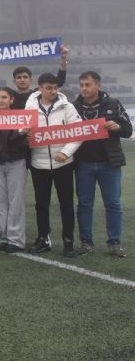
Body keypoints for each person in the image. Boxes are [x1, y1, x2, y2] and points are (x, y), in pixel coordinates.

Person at [71, 71, 131, 257]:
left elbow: (128, 130)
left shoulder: (113, 103)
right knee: (84, 204)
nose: (83, 88)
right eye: (81, 85)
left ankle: (114, 243)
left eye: (87, 85)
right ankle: (86, 242)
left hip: (109, 163)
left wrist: (117, 127)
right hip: (83, 164)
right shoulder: (73, 107)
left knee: (113, 204)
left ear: (98, 85)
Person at [24, 73, 82, 257]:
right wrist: (23, 133)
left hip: (63, 164)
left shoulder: (68, 106)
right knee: (41, 204)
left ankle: (68, 242)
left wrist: (65, 152)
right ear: (40, 88)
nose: (53, 91)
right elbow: (22, 130)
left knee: (66, 204)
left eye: (55, 87)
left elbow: (78, 133)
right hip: (38, 163)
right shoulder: (30, 107)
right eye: (48, 88)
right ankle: (43, 238)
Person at [0, 88, 29, 254]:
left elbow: (19, 144)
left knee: (15, 201)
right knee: (0, 201)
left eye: (4, 97)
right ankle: (5, 237)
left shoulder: (19, 117)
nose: (0, 100)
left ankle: (16, 240)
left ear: (11, 99)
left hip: (15, 161)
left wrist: (20, 133)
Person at [0, 45, 68, 109]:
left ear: (30, 80)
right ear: (14, 81)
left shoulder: (37, 94)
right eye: (19, 77)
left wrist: (63, 60)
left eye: (25, 77)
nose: (22, 80)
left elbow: (59, 82)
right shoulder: (9, 95)